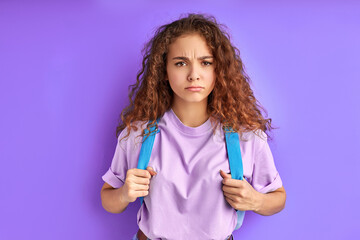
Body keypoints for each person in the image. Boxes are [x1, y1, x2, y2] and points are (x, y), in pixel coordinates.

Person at [100, 13, 286, 240]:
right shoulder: (137, 135)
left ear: (219, 71)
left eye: (206, 63)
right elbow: (109, 199)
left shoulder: (247, 136)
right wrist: (124, 194)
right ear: (164, 72)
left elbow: (278, 198)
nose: (194, 75)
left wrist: (256, 201)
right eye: (180, 63)